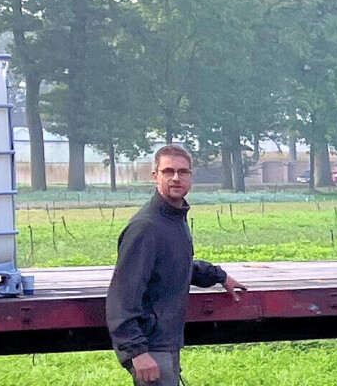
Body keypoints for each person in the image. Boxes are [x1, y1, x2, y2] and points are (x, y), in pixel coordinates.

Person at [106, 145, 247, 385]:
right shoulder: (146, 227)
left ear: (191, 176)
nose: (175, 178)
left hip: (166, 342)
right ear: (155, 176)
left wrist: (218, 276)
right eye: (168, 171)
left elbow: (176, 265)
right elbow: (122, 296)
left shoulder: (172, 218)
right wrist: (137, 352)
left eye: (182, 172)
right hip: (151, 347)